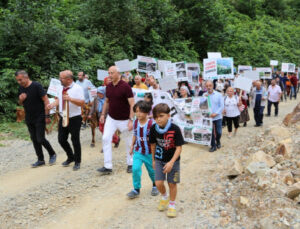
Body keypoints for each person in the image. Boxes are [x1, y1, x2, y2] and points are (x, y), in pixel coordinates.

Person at [97, 66, 135, 175]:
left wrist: (131, 119)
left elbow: (132, 103)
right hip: (111, 118)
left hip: (124, 119)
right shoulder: (108, 87)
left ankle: (130, 163)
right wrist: (103, 114)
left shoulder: (126, 86)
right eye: (109, 73)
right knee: (105, 138)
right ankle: (107, 166)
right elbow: (107, 101)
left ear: (118, 73)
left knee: (128, 142)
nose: (110, 75)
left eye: (112, 73)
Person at [15, 70, 57, 168]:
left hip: (40, 115)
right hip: (29, 117)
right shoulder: (21, 88)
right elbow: (20, 103)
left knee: (40, 138)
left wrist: (47, 116)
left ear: (26, 77)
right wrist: (21, 99)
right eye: (17, 80)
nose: (19, 82)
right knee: (34, 139)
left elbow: (46, 100)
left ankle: (52, 154)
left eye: (20, 80)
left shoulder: (36, 85)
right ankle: (40, 159)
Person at [149, 103, 184, 218]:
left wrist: (171, 162)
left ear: (168, 115)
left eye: (161, 116)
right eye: (156, 117)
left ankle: (172, 205)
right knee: (158, 183)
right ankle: (164, 197)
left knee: (172, 183)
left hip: (173, 160)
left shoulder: (175, 129)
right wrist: (153, 159)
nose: (158, 119)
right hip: (159, 159)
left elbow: (179, 148)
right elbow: (153, 145)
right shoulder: (154, 128)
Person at [47, 70, 84, 171]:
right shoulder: (60, 88)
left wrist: (70, 99)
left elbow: (81, 103)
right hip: (63, 116)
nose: (60, 79)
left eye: (61, 78)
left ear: (68, 79)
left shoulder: (77, 88)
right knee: (61, 139)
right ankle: (70, 157)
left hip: (74, 118)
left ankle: (77, 161)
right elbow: (59, 99)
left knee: (75, 140)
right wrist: (52, 104)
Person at [126, 101, 159, 199]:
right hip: (138, 151)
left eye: (141, 111)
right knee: (135, 169)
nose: (138, 114)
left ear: (147, 112)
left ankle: (155, 185)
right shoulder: (136, 122)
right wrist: (132, 146)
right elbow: (135, 134)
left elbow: (156, 140)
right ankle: (136, 189)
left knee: (152, 171)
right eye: (136, 111)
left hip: (150, 153)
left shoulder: (152, 124)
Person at [203, 81, 224, 152]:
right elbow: (201, 106)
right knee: (210, 132)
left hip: (217, 117)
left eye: (210, 85)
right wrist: (203, 99)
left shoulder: (218, 95)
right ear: (205, 87)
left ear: (213, 86)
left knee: (219, 132)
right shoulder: (204, 95)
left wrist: (216, 113)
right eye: (207, 86)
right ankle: (213, 146)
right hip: (208, 118)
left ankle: (218, 140)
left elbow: (221, 106)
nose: (208, 87)